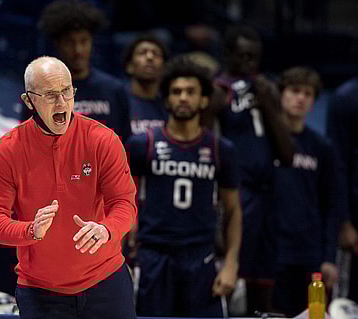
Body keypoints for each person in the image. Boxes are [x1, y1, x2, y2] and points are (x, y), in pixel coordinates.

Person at [0, 56, 137, 319]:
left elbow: (124, 203)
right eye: (51, 95)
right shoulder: (5, 151)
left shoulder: (103, 140)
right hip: (41, 292)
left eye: (67, 91)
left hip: (106, 282)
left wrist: (107, 229)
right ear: (29, 100)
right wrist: (30, 229)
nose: (62, 103)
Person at [127, 55, 242, 317]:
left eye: (191, 92)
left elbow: (233, 210)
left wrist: (231, 264)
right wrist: (124, 257)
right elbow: (123, 201)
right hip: (154, 256)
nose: (182, 98)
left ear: (203, 99)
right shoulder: (141, 144)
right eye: (176, 92)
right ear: (166, 99)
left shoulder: (220, 149)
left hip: (200, 258)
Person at [212, 24, 296, 315]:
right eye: (242, 56)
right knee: (234, 285)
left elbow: (288, 155)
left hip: (268, 198)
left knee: (265, 284)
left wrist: (270, 105)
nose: (248, 64)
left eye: (254, 58)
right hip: (237, 194)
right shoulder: (217, 89)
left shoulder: (267, 87)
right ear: (228, 55)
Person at [271, 66, 341, 317]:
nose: (300, 98)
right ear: (281, 95)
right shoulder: (267, 141)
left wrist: (329, 257)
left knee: (315, 314)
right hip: (273, 253)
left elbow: (331, 204)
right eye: (294, 91)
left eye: (307, 93)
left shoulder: (322, 147)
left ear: (313, 102)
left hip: (311, 255)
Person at [23, 0, 131, 142]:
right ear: (57, 44)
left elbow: (125, 145)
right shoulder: (39, 92)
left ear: (92, 42)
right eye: (70, 42)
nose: (78, 50)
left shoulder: (114, 90)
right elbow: (28, 142)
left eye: (84, 41)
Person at [326, 76, 358, 303]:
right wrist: (345, 222)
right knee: (349, 302)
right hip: (355, 220)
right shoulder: (346, 98)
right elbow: (336, 164)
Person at [123, 33, 170, 135]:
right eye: (142, 53)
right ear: (129, 66)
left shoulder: (171, 103)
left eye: (156, 54)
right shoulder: (119, 101)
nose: (150, 57)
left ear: (164, 68)